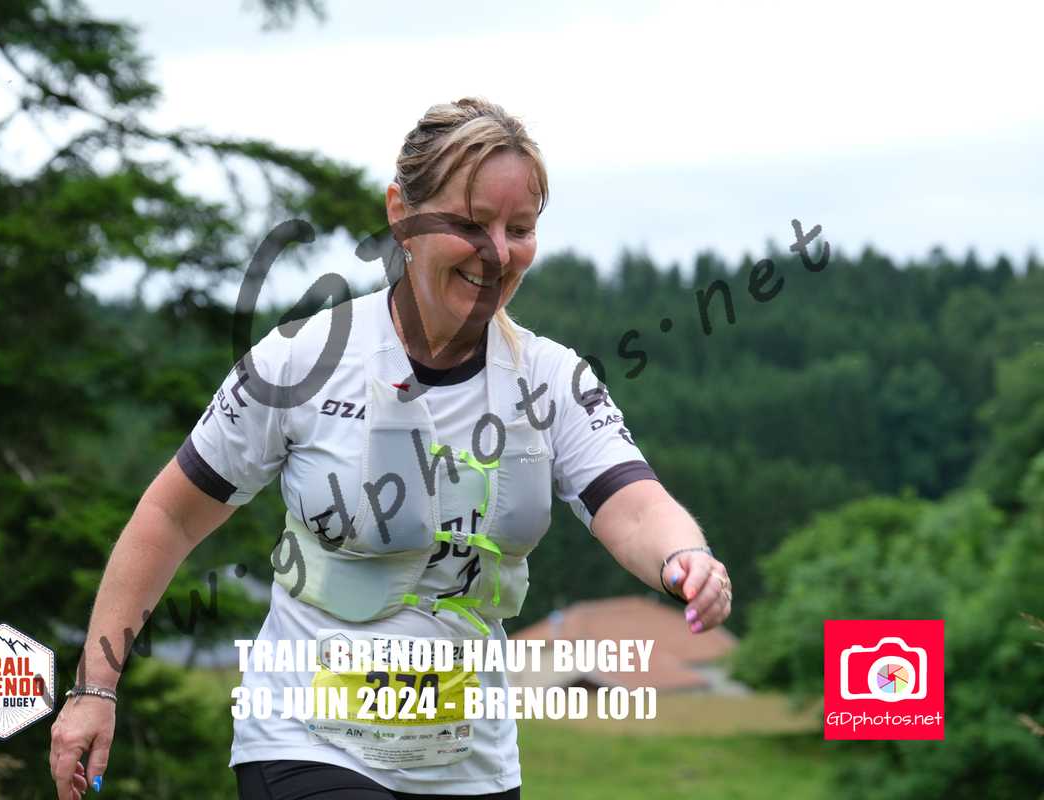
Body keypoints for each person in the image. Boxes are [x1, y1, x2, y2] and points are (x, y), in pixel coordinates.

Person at [48, 97, 734, 800]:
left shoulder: (551, 378)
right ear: (402, 215)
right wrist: (95, 688)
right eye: (470, 224)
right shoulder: (299, 360)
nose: (498, 253)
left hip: (472, 764)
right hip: (304, 741)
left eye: (520, 229)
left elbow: (631, 502)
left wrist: (684, 556)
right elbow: (171, 517)